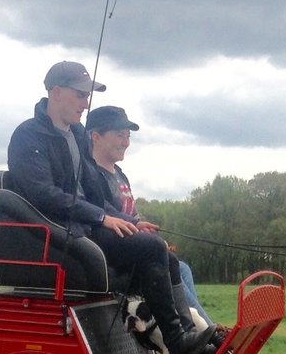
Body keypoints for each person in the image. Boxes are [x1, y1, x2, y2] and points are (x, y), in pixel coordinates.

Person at [6, 62, 217, 354]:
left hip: (82, 228)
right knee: (151, 248)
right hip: (57, 237)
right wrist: (102, 217)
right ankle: (178, 341)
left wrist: (129, 222)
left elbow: (95, 194)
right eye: (80, 95)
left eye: (87, 95)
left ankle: (185, 340)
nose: (85, 103)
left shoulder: (77, 134)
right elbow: (44, 195)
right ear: (56, 93)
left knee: (160, 251)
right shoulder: (29, 136)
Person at [84, 104, 213, 325]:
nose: (126, 142)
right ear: (95, 136)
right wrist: (146, 239)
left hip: (134, 245)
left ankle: (201, 327)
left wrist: (149, 232)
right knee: (170, 265)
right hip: (115, 252)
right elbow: (105, 211)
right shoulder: (92, 176)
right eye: (119, 135)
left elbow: (133, 215)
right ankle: (202, 330)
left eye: (127, 136)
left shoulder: (120, 176)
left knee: (183, 269)